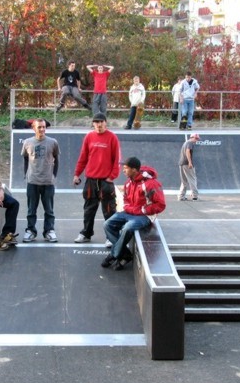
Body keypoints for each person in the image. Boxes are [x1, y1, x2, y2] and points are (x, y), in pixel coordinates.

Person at [102, 157, 166, 271]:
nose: (123, 170)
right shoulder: (128, 183)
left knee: (128, 227)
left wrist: (143, 210)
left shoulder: (151, 184)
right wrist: (127, 207)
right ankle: (125, 255)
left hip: (144, 216)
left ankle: (114, 254)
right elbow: (126, 199)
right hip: (129, 212)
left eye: (126, 168)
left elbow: (161, 205)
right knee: (107, 224)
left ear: (134, 170)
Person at [72, 112, 121, 243]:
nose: (99, 124)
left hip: (106, 181)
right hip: (91, 181)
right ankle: (86, 234)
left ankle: (110, 237)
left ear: (105, 123)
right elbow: (83, 157)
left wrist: (112, 177)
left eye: (101, 122)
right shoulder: (89, 137)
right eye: (96, 122)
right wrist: (77, 174)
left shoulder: (112, 138)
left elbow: (116, 160)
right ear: (93, 124)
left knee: (109, 210)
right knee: (89, 209)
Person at [21, 119, 60, 243]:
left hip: (48, 182)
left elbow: (57, 160)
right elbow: (26, 159)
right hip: (32, 182)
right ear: (34, 128)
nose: (42, 129)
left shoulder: (53, 142)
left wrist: (53, 175)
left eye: (44, 127)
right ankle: (30, 231)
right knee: (31, 209)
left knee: (49, 210)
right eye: (39, 127)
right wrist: (26, 174)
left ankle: (49, 231)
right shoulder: (27, 142)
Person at [178, 132, 201, 201]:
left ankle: (181, 196)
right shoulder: (190, 143)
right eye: (196, 139)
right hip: (187, 164)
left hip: (181, 163)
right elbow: (187, 151)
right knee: (192, 179)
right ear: (192, 137)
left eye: (198, 139)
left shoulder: (185, 143)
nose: (197, 140)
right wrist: (190, 162)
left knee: (184, 181)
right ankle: (195, 196)